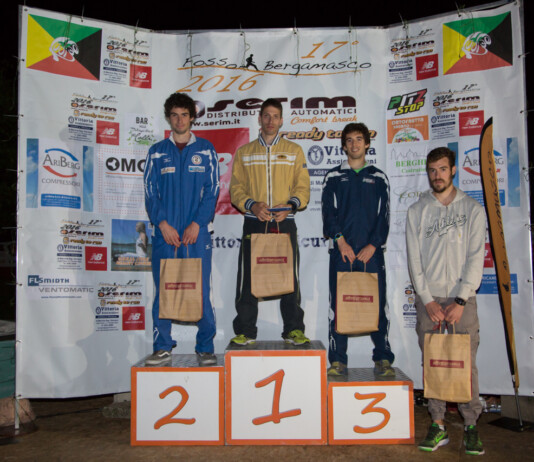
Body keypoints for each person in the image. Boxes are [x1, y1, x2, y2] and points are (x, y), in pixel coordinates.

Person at [406, 147, 486, 455]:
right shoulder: (417, 210)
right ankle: (438, 424)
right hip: (430, 301)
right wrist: (427, 300)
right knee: (434, 362)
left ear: (453, 170)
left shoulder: (472, 209)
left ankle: (471, 426)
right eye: (432, 170)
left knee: (466, 364)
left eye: (442, 169)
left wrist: (461, 300)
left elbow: (476, 257)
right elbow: (414, 260)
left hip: (462, 301)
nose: (436, 175)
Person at [144, 93, 219, 366]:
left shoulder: (206, 150)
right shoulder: (156, 152)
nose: (179, 120)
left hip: (197, 234)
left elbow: (212, 190)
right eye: (174, 115)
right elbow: (150, 192)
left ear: (192, 117)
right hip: (165, 235)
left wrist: (197, 223)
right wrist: (162, 224)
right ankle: (162, 346)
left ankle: (205, 347)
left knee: (201, 292)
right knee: (164, 290)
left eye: (184, 115)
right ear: (168, 118)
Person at [230, 98, 310, 345]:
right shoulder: (244, 152)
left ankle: (293, 330)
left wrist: (291, 206)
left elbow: (302, 187)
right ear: (259, 118)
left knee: (289, 278)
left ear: (282, 120)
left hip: (284, 221)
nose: (270, 121)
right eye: (266, 115)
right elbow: (236, 189)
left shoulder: (294, 150)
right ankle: (245, 331)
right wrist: (252, 205)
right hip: (254, 221)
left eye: (275, 116)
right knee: (248, 278)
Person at [321, 122, 395, 377]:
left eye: (359, 139)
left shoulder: (378, 177)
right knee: (338, 306)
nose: (354, 144)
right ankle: (338, 360)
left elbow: (384, 215)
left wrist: (373, 245)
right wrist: (340, 241)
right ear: (344, 146)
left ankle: (382, 358)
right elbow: (328, 213)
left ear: (367, 144)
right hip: (341, 252)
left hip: (371, 254)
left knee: (377, 305)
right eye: (350, 140)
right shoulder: (333, 176)